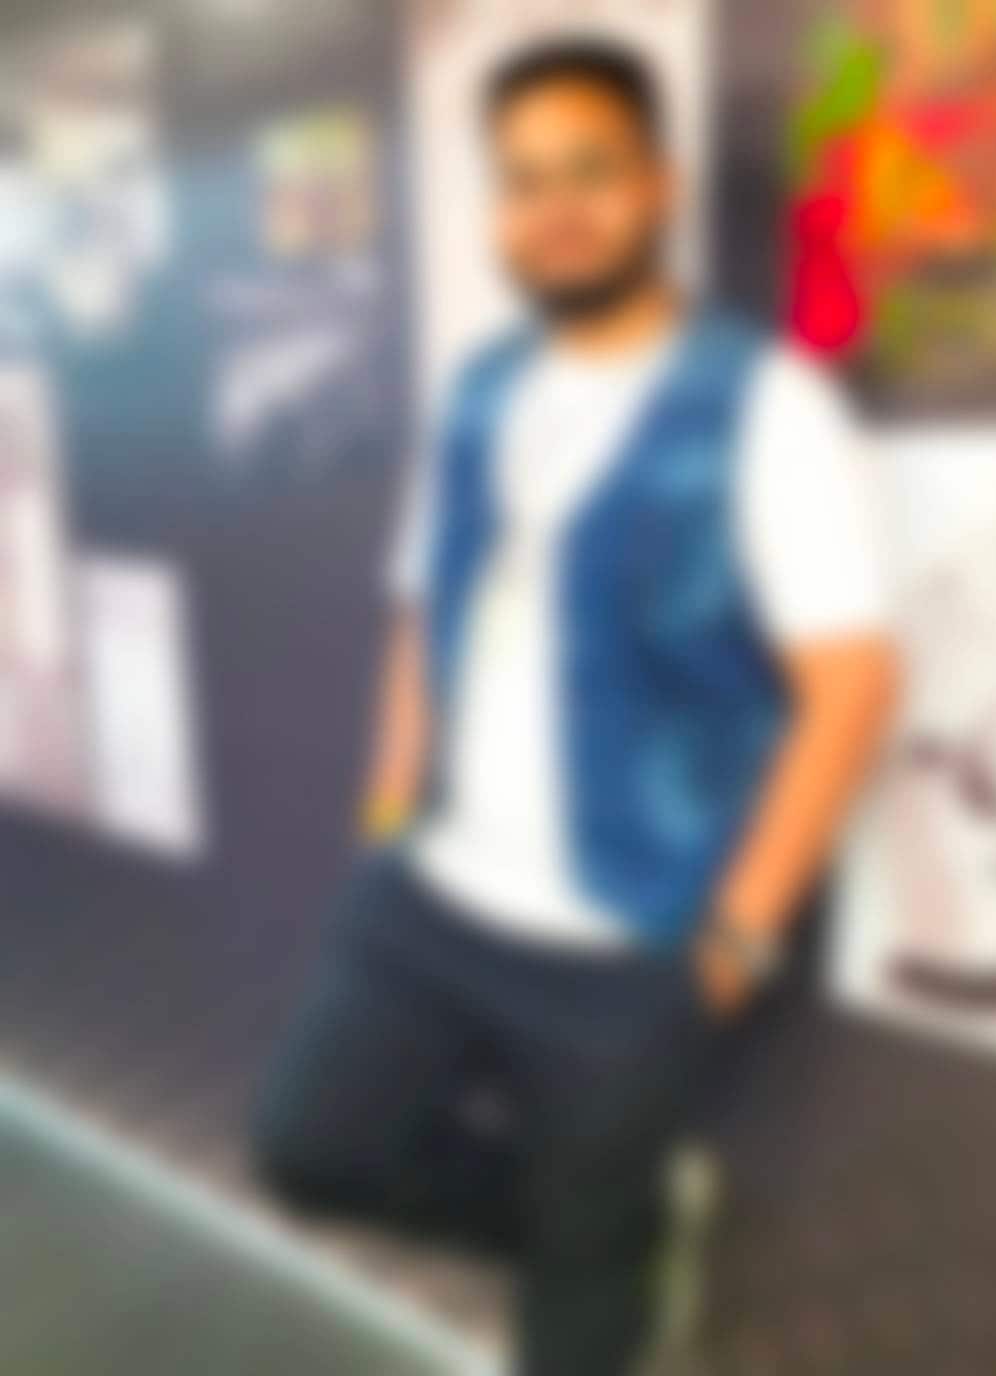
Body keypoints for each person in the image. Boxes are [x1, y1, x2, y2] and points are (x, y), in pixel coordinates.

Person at [254, 39, 899, 1376]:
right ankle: (605, 1228)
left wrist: (733, 942)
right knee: (308, 1148)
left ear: (660, 184)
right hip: (436, 898)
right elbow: (421, 606)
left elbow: (853, 684)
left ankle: (599, 1248)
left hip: (631, 942)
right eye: (523, 180)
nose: (555, 210)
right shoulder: (480, 385)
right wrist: (388, 816)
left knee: (578, 1333)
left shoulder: (765, 405)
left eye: (590, 171)